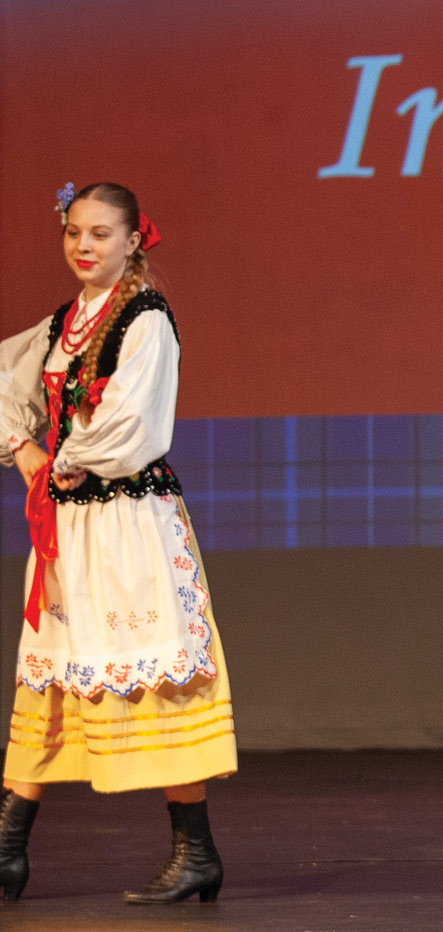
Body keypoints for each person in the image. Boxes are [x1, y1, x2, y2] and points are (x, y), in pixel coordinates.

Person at [0, 182, 234, 903]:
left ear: (133, 241)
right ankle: (7, 847)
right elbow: (8, 386)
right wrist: (27, 450)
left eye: (100, 234)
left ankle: (196, 851)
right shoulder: (64, 323)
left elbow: (134, 424)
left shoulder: (145, 319)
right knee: (51, 676)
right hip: (71, 529)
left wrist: (66, 459)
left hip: (129, 523)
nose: (83, 245)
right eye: (74, 232)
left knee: (152, 674)